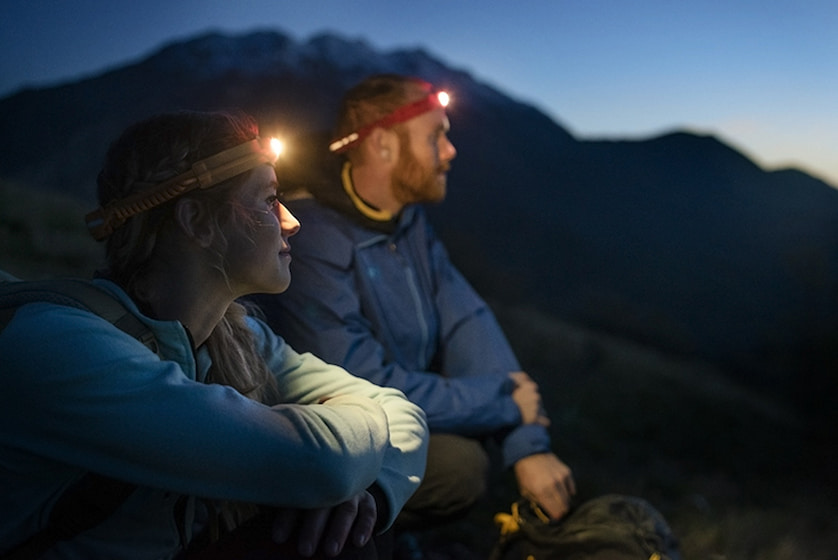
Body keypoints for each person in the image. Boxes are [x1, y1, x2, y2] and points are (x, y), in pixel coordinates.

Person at [0, 110, 428, 559]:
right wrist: (361, 435)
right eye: (268, 199)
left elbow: (403, 413)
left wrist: (374, 490)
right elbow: (325, 464)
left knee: (343, 527)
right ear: (197, 221)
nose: (290, 221)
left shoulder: (239, 337)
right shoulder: (63, 348)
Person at [251, 74, 576, 531]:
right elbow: (362, 378)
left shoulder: (406, 222)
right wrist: (503, 402)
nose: (450, 150)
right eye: (436, 136)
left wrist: (529, 445)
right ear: (383, 144)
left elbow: (466, 321)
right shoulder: (312, 239)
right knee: (461, 466)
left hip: (402, 407)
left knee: (468, 445)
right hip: (339, 426)